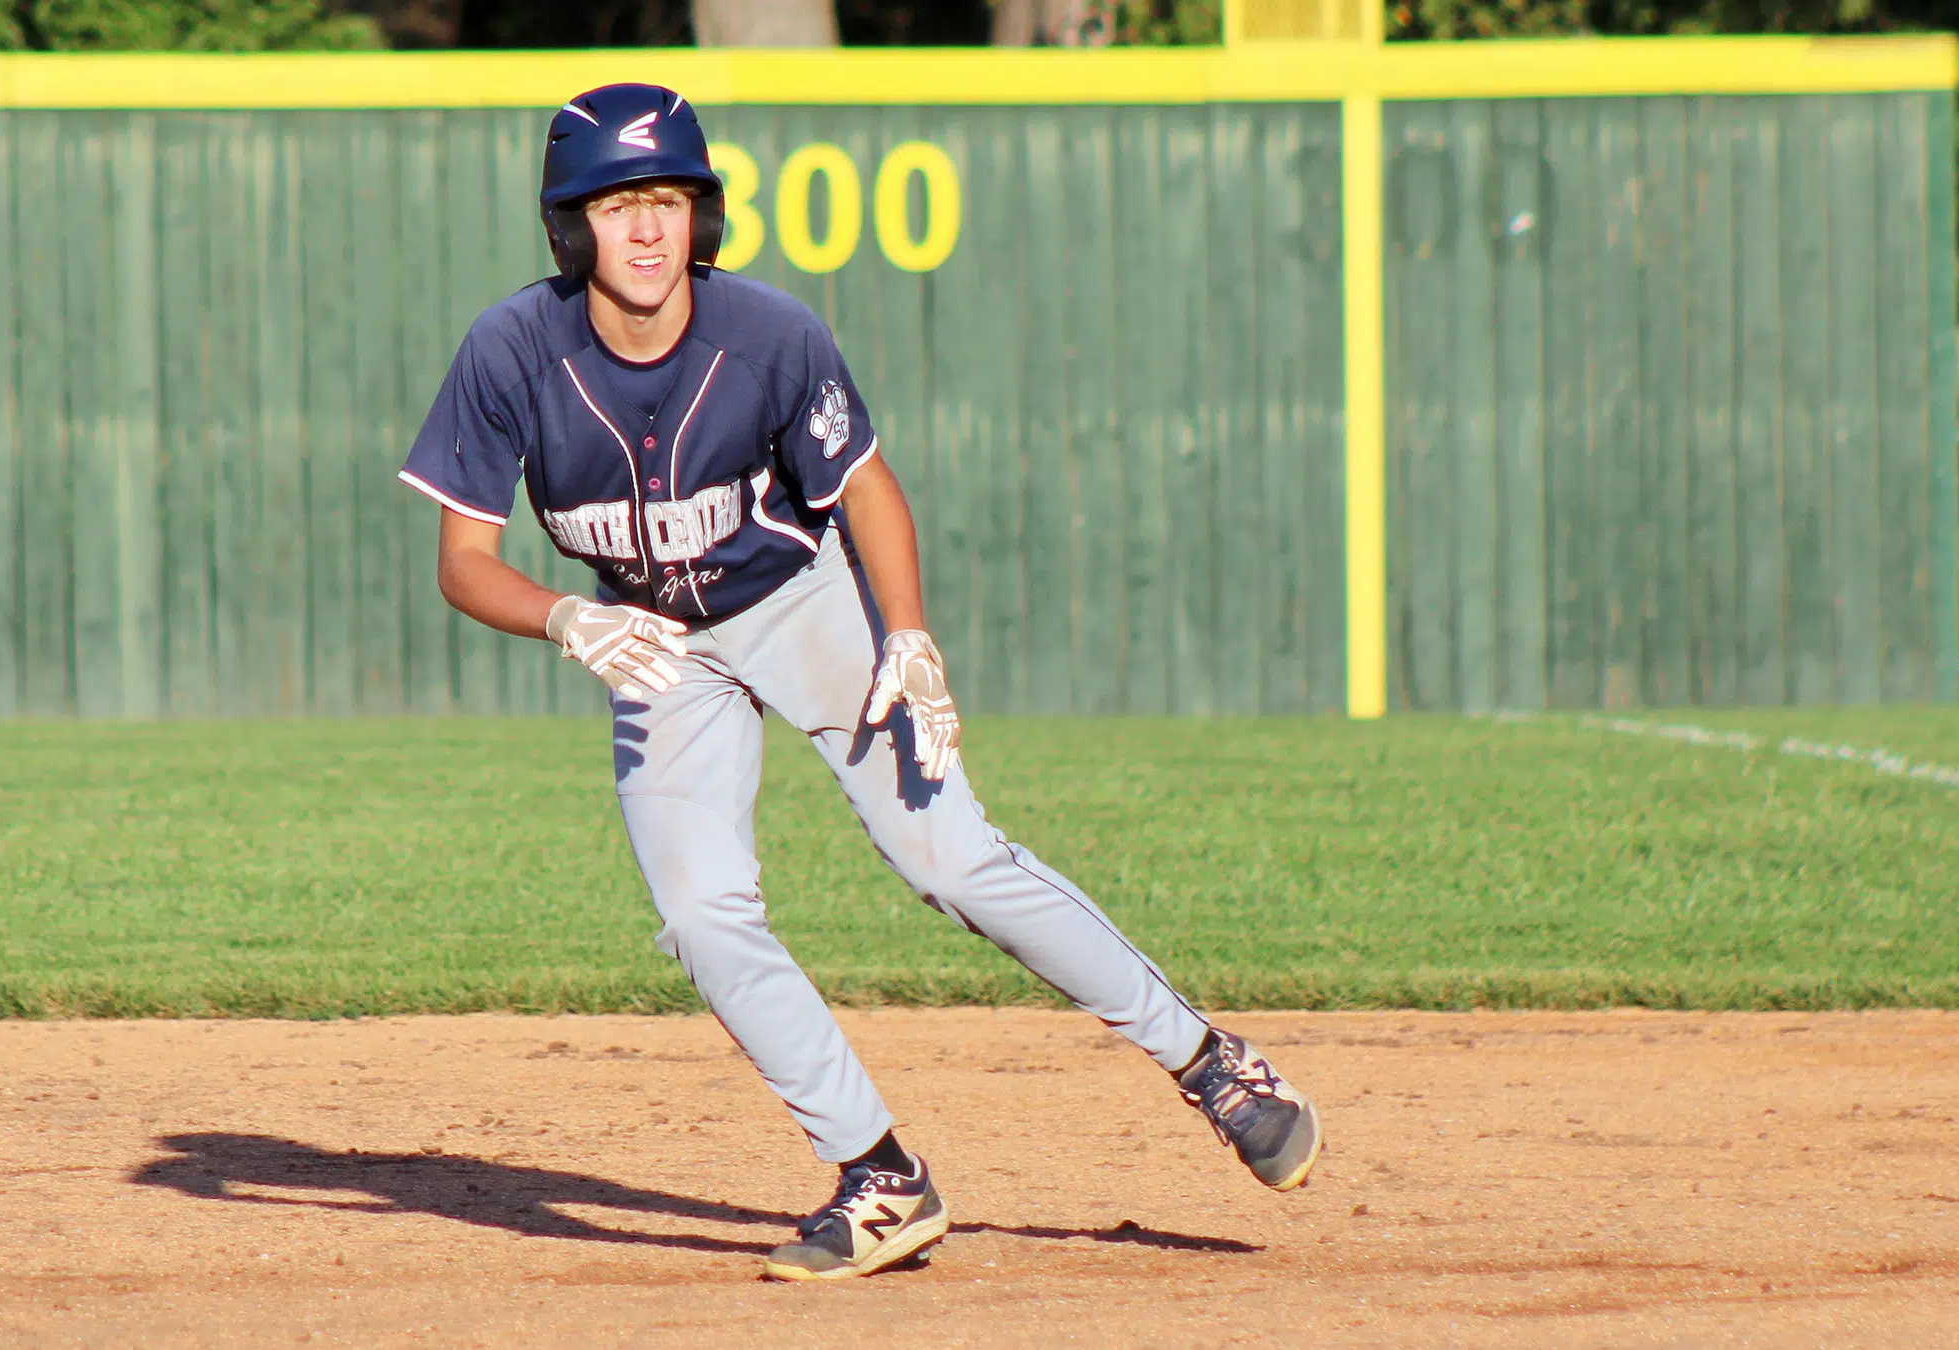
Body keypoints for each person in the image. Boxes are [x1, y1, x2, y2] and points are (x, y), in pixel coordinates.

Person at [399, 83, 1321, 1282]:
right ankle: (880, 1177)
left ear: (702, 218)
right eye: (617, 205)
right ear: (569, 229)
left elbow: (866, 489)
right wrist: (567, 617)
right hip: (653, 643)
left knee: (952, 857)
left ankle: (1212, 1063)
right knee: (701, 917)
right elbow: (463, 564)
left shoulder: (772, 334)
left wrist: (910, 637)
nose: (645, 231)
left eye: (668, 201)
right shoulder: (511, 351)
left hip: (802, 603)